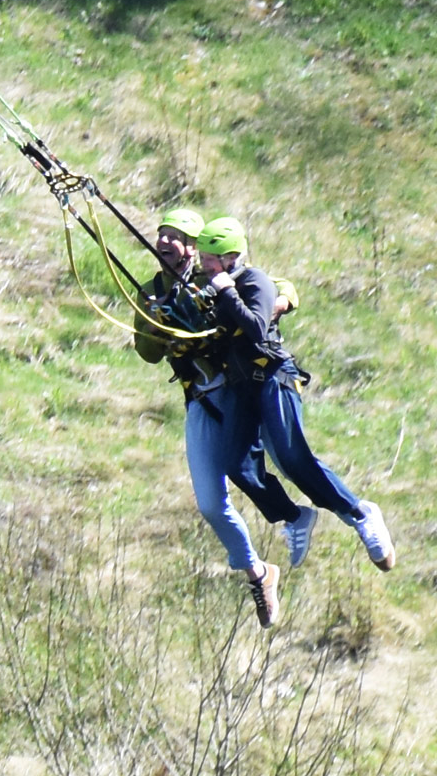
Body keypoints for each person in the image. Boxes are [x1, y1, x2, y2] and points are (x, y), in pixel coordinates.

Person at [133, 208, 318, 627]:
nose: (164, 242)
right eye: (161, 234)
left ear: (194, 247)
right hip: (200, 397)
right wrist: (156, 322)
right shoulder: (150, 292)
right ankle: (257, 572)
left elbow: (278, 286)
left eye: (175, 236)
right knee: (210, 503)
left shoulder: (218, 277)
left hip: (239, 387)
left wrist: (276, 306)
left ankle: (328, 512)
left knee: (283, 456)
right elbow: (146, 353)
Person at [194, 216, 396, 573]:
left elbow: (257, 329)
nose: (203, 263)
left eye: (209, 257)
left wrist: (227, 291)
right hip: (241, 386)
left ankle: (359, 513)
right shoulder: (209, 286)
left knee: (292, 457)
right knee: (236, 466)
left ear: (230, 257)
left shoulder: (252, 281)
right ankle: (293, 515)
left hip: (272, 375)